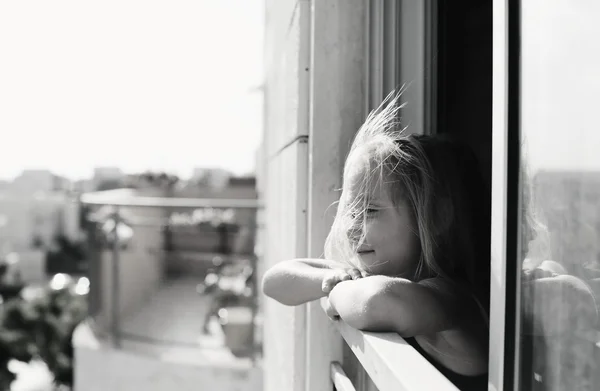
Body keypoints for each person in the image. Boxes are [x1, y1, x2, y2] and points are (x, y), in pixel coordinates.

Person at [262, 92, 491, 389]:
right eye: (351, 211)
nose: (351, 227)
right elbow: (275, 280)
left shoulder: (451, 297)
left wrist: (334, 292)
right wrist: (330, 278)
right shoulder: (382, 274)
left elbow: (375, 302)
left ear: (436, 215)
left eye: (369, 211)